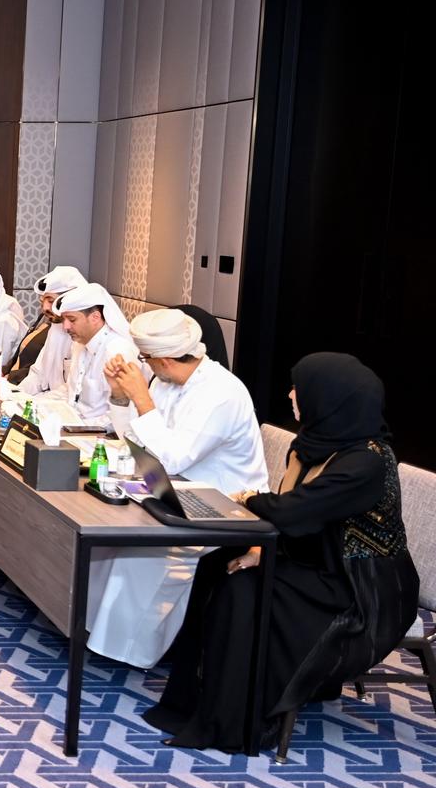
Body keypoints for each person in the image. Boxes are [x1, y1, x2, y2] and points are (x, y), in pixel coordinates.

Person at [145, 353, 420, 751]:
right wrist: (261, 547)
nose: (291, 394)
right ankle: (193, 703)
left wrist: (250, 499)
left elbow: (292, 511)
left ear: (330, 399)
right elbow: (298, 519)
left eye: (299, 389)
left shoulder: (367, 463)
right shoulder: (309, 445)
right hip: (316, 564)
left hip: (362, 591)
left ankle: (234, 721)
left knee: (242, 591)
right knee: (215, 565)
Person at [83, 309, 270, 668]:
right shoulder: (165, 382)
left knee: (143, 553)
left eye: (146, 359)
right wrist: (120, 397)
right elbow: (136, 443)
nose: (144, 365)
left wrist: (141, 399)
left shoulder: (221, 393)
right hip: (171, 492)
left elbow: (173, 458)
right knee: (103, 534)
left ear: (165, 360)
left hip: (223, 506)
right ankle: (92, 629)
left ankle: (130, 651)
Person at [52, 282, 138, 420]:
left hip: (98, 430)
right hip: (72, 423)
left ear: (95, 317)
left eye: (72, 319)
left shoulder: (117, 352)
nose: (65, 326)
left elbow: (121, 415)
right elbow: (70, 393)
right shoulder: (79, 344)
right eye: (64, 319)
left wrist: (78, 429)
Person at [8, 266, 85, 388]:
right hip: (46, 397)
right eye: (42, 301)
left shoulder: (84, 337)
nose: (44, 308)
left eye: (51, 301)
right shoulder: (56, 328)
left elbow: (70, 391)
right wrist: (15, 393)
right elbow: (38, 374)